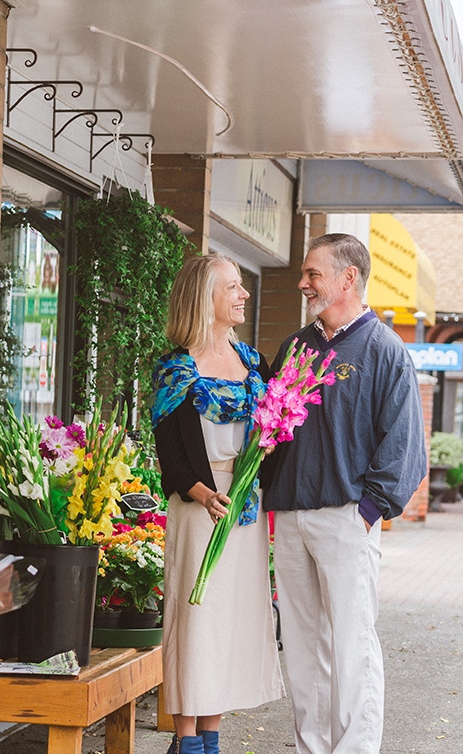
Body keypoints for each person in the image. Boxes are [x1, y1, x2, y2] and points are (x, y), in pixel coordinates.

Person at [264, 233, 426, 754]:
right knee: (304, 647)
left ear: (348, 277)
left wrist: (368, 511)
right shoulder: (294, 347)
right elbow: (268, 429)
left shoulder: (385, 350)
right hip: (290, 517)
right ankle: (312, 747)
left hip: (345, 519)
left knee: (352, 645)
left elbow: (404, 445)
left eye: (313, 273)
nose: (303, 282)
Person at [151, 254, 284, 754]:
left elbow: (274, 433)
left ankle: (212, 733)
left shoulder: (253, 364)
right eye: (233, 287)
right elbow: (169, 454)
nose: (243, 294)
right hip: (198, 510)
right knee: (196, 617)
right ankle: (186, 740)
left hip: (244, 509)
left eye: (243, 286)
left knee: (229, 620)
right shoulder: (175, 370)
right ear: (205, 298)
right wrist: (203, 494)